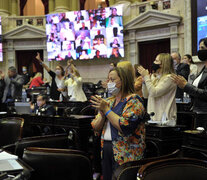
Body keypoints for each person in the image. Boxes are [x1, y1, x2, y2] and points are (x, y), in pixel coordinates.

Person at [90, 67, 146, 180]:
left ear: (123, 80)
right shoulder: (109, 101)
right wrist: (102, 113)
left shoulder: (134, 100)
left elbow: (124, 126)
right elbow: (95, 126)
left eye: (112, 80)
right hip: (106, 147)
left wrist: (106, 110)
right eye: (108, 79)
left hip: (127, 151)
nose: (109, 83)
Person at [171, 38, 207, 127]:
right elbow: (196, 90)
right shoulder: (203, 69)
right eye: (199, 48)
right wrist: (183, 86)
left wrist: (186, 86)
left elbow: (206, 93)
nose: (200, 51)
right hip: (197, 112)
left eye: (202, 48)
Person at [138, 53, 177, 125]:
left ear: (163, 64)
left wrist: (146, 77)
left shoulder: (170, 78)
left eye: (156, 61)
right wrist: (144, 82)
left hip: (164, 118)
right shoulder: (154, 76)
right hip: (152, 116)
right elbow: (146, 95)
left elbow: (154, 93)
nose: (153, 63)